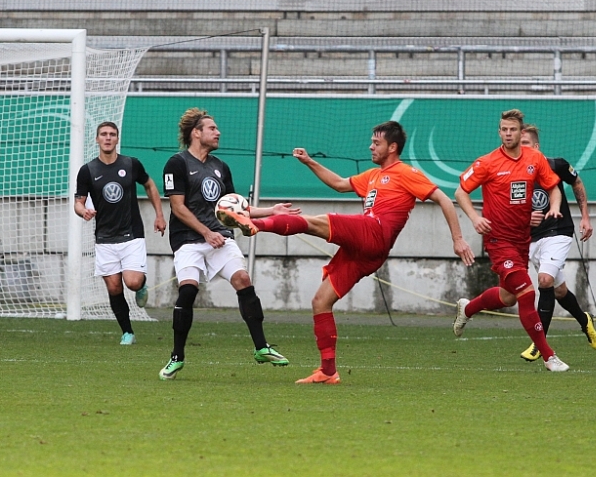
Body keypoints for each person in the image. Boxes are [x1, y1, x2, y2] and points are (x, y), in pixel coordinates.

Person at [234, 121, 475, 384]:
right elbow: (339, 184)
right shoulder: (372, 176)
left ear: (392, 147)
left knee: (315, 222)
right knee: (320, 301)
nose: (371, 146)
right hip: (368, 251)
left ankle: (254, 224)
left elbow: (443, 199)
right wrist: (309, 162)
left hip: (375, 232)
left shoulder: (406, 173)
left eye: (377, 143)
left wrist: (458, 239)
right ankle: (328, 371)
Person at [157, 108, 293, 381]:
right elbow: (178, 208)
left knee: (243, 280)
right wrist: (206, 233)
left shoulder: (220, 167)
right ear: (196, 133)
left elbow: (235, 208)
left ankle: (262, 348)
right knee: (188, 290)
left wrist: (269, 212)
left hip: (220, 237)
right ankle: (177, 357)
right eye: (212, 128)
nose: (218, 132)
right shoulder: (177, 163)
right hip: (188, 240)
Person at [452, 109, 569, 372]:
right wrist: (475, 218)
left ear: (520, 132)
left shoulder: (534, 158)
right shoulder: (487, 162)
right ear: (499, 132)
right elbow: (460, 192)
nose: (508, 134)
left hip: (521, 239)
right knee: (527, 292)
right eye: (504, 129)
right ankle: (549, 356)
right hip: (497, 239)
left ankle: (467, 308)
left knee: (508, 297)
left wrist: (554, 207)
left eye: (512, 129)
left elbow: (553, 187)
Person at [75, 122, 167, 345]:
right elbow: (78, 202)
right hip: (105, 238)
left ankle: (141, 285)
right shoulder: (88, 170)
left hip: (131, 234)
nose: (108, 138)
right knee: (114, 287)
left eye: (112, 134)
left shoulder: (131, 164)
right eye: (103, 134)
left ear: (117, 139)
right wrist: (83, 211)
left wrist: (159, 214)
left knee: (132, 282)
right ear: (97, 139)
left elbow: (150, 185)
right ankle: (127, 332)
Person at [518, 124, 596, 361]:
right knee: (559, 290)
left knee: (544, 280)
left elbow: (577, 183)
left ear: (536, 146)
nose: (521, 148)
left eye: (525, 144)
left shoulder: (556, 165)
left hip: (559, 231)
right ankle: (584, 320)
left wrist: (585, 217)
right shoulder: (515, 173)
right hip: (533, 238)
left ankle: (539, 344)